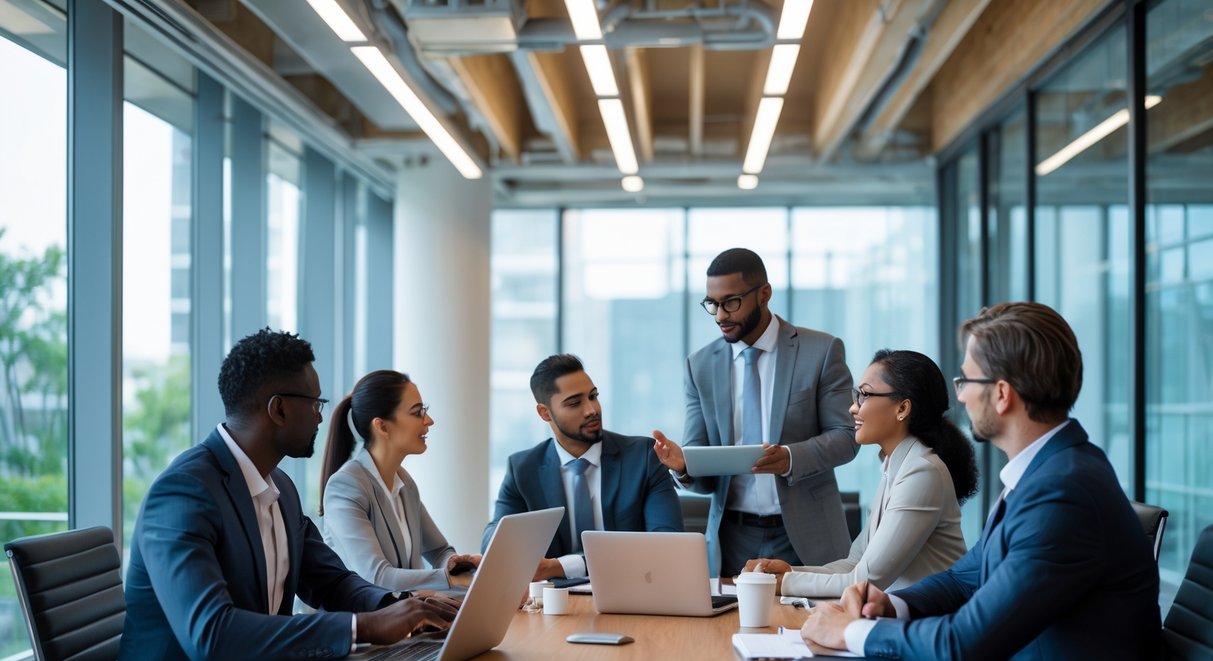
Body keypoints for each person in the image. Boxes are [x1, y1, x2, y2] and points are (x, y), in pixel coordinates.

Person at [801, 302, 1164, 661]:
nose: (961, 394)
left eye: (966, 379)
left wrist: (851, 634)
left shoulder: (1064, 491)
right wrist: (890, 605)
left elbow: (963, 644)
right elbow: (968, 576)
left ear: (1002, 393)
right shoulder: (1047, 471)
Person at [114, 329, 458, 661]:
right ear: (278, 409)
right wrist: (364, 627)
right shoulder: (184, 493)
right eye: (314, 405)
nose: (321, 419)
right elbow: (212, 635)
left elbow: (332, 582)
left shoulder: (280, 488)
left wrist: (404, 606)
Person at [652, 247, 858, 577]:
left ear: (764, 294)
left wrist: (790, 457)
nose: (720, 315)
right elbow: (702, 466)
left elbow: (848, 437)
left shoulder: (820, 351)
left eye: (730, 302)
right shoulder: (700, 366)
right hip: (732, 536)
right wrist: (684, 467)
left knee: (810, 627)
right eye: (712, 304)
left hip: (806, 534)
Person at [743, 350, 975, 597]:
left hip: (931, 626)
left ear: (903, 408)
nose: (853, 408)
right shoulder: (897, 466)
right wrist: (788, 572)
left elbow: (866, 581)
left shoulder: (922, 472)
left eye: (864, 395)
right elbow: (854, 563)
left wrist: (784, 582)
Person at [483, 354, 683, 581]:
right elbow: (493, 540)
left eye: (593, 396)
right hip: (553, 605)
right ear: (544, 412)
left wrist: (563, 566)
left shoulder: (643, 457)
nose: (591, 410)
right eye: (575, 403)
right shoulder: (523, 468)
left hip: (634, 593)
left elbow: (668, 544)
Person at [318, 370, 481, 592]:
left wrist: (457, 566)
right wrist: (451, 580)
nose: (429, 420)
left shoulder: (404, 483)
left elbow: (440, 551)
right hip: (364, 623)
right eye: (417, 413)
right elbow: (375, 576)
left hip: (407, 618)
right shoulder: (346, 487)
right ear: (382, 427)